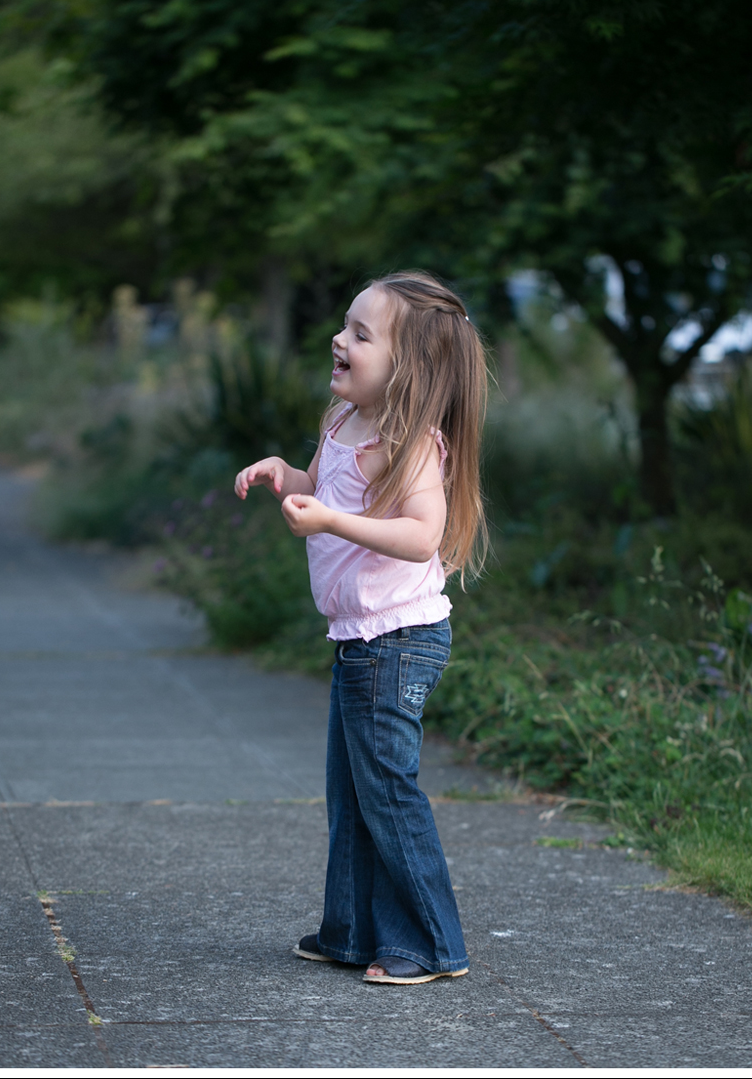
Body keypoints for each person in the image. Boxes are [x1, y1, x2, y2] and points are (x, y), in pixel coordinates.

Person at [234, 271, 488, 984]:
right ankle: (349, 931)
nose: (338, 341)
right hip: (360, 640)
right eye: (344, 327)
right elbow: (322, 486)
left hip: (398, 641)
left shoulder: (414, 444)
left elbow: (419, 535)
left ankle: (431, 944)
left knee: (388, 789)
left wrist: (335, 522)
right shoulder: (342, 423)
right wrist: (286, 475)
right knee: (350, 791)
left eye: (360, 334)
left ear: (407, 367)